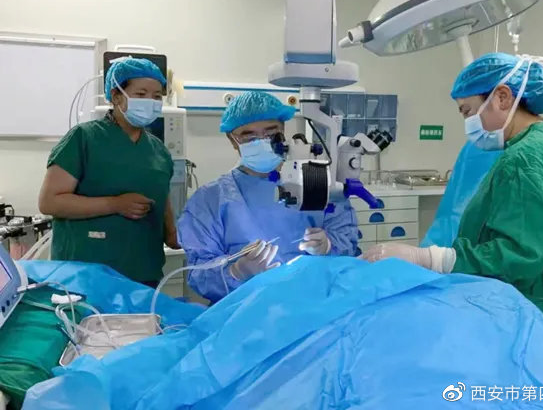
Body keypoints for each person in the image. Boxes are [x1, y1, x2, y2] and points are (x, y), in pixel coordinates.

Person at [363, 53, 543, 361]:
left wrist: (428, 258)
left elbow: (519, 256)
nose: (468, 123)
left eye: (468, 111)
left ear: (502, 97)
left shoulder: (530, 159)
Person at [178, 91, 359, 303]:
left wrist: (329, 246)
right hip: (244, 311)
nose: (262, 142)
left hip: (313, 305)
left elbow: (347, 242)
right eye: (250, 137)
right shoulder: (210, 200)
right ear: (233, 140)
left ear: (283, 131)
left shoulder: (317, 183)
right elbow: (199, 272)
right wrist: (236, 272)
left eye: (271, 133)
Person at [39, 57, 178, 287]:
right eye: (141, 94)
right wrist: (115, 204)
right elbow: (49, 202)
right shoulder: (83, 138)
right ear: (116, 96)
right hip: (84, 273)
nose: (150, 102)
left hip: (143, 272)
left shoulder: (158, 150)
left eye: (156, 96)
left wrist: (171, 232)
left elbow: (162, 197)